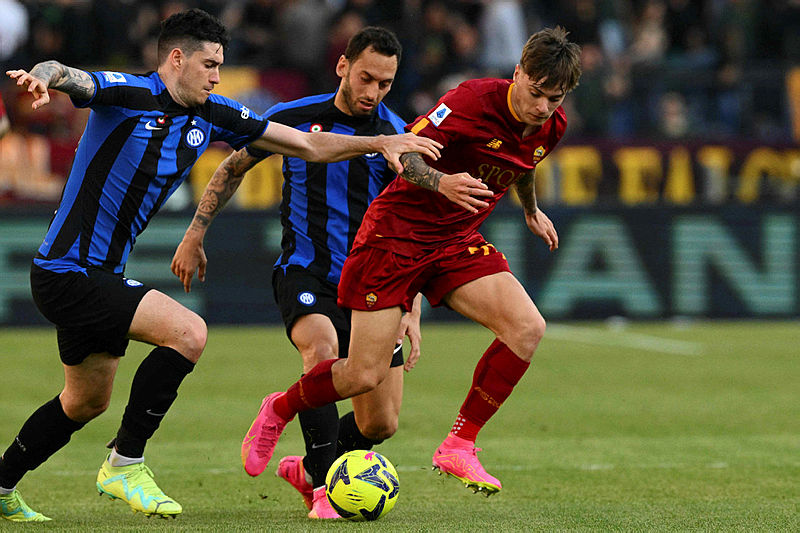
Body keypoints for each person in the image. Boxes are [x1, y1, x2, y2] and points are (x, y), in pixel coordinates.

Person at [0, 9, 440, 523]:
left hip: (102, 275)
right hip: (67, 270)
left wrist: (382, 142)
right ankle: (124, 462)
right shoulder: (130, 92)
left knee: (84, 402)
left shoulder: (214, 112)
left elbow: (306, 144)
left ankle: (3, 483)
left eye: (221, 65)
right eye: (210, 64)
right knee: (188, 333)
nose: (216, 75)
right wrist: (43, 77)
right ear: (177, 58)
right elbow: (66, 72)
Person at [240, 26, 581, 497]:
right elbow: (405, 154)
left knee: (527, 328)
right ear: (517, 73)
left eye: (555, 98)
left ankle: (459, 444)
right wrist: (442, 183)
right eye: (536, 92)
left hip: (454, 240)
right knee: (362, 374)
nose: (542, 106)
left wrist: (530, 208)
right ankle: (280, 407)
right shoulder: (469, 101)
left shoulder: (552, 126)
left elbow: (524, 163)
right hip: (395, 236)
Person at [171, 26, 422, 520]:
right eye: (367, 77)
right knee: (322, 353)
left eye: (386, 83)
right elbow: (232, 167)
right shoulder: (292, 117)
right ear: (343, 66)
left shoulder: (396, 136)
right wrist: (194, 233)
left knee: (381, 423)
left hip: (371, 287)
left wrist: (409, 306)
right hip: (305, 272)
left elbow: (408, 230)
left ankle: (307, 468)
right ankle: (326, 489)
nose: (374, 92)